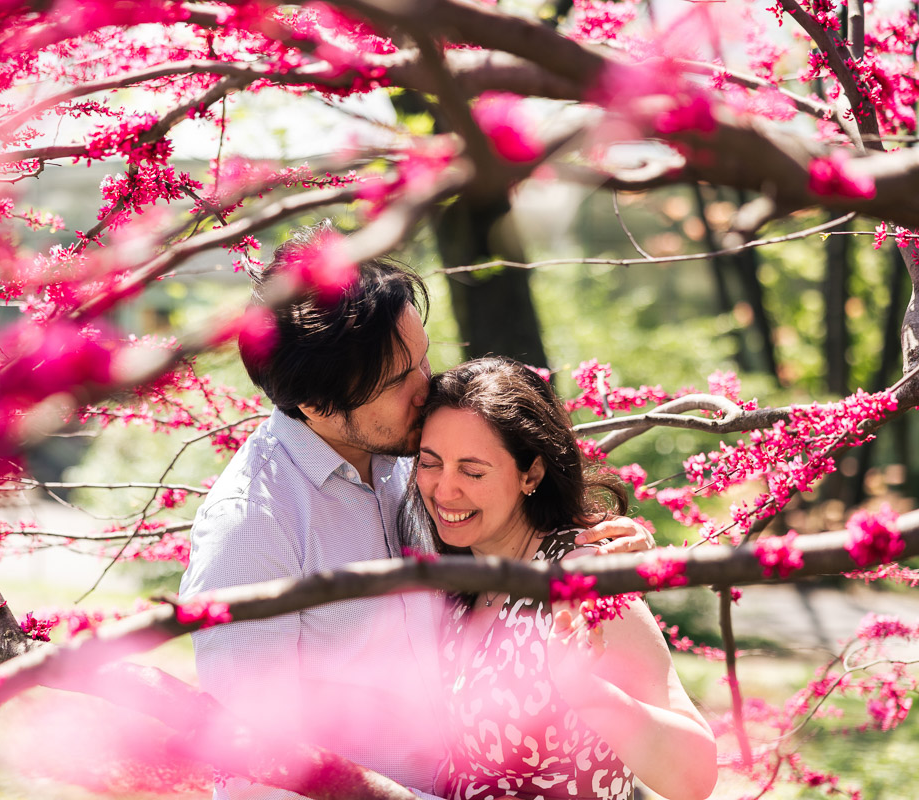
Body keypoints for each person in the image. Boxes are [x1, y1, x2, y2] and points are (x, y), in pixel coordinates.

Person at [180, 224, 655, 800]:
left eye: (423, 358)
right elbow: (252, 762)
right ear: (315, 403)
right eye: (400, 379)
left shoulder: (414, 461)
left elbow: (504, 544)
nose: (427, 388)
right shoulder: (253, 523)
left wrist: (583, 545)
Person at [404, 357, 718, 800]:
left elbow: (695, 776)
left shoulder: (582, 576)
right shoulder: (457, 575)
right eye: (430, 463)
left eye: (472, 471)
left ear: (531, 472)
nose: (444, 490)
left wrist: (589, 694)